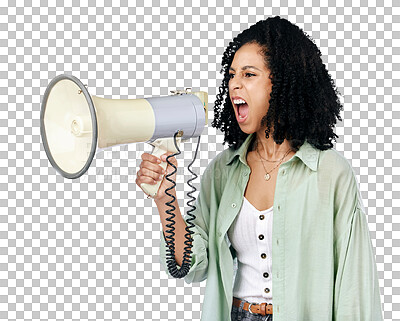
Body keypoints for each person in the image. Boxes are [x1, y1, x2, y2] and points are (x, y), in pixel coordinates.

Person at [135, 16, 383, 321]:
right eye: (231, 75)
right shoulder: (224, 170)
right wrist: (166, 199)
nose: (234, 84)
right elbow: (193, 264)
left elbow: (354, 285)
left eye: (249, 74)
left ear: (282, 83)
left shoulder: (330, 172)